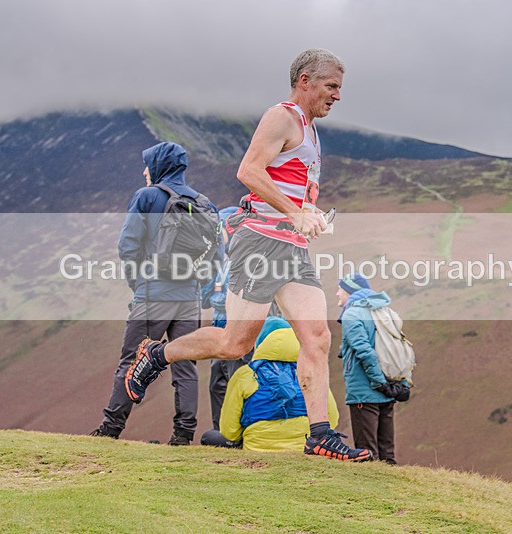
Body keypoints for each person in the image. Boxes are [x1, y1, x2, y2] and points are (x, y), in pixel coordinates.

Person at [124, 48, 372, 461]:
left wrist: (308, 213)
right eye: (332, 86)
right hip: (260, 244)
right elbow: (249, 171)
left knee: (318, 337)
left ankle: (319, 436)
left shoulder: (310, 130)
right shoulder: (282, 117)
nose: (337, 96)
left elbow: (286, 184)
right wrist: (295, 211)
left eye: (340, 88)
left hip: (291, 247)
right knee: (234, 343)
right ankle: (156, 353)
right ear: (305, 80)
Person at [90, 142, 204, 446]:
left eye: (147, 164)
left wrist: (139, 285)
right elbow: (215, 256)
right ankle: (183, 435)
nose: (144, 171)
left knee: (131, 360)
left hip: (153, 294)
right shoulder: (203, 202)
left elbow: (128, 246)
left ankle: (110, 430)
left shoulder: (146, 197)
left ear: (159, 164)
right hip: (189, 299)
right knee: (185, 364)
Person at [202, 317, 340, 451]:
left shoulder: (245, 374)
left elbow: (229, 431)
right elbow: (332, 419)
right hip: (302, 445)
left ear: (261, 341)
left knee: (208, 436)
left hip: (257, 447)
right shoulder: (311, 372)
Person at [336, 274, 410, 464]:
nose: (337, 293)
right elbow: (400, 348)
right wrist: (396, 384)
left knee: (366, 452)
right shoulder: (384, 311)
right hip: (389, 388)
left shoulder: (352, 314)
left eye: (340, 289)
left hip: (365, 390)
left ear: (350, 291)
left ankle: (372, 491)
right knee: (387, 452)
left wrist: (379, 382)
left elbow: (364, 351)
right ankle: (396, 489)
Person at [199, 206, 252, 432]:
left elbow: (225, 300)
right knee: (217, 385)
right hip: (220, 331)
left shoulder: (247, 259)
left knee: (236, 384)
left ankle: (238, 435)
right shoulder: (222, 262)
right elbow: (205, 299)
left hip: (239, 333)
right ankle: (221, 434)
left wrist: (218, 297)